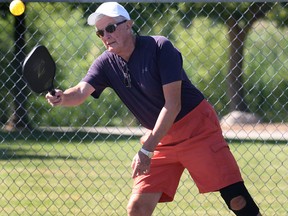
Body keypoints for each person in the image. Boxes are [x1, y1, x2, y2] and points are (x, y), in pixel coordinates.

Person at [46, 2, 262, 216]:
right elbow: (81, 91)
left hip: (197, 130)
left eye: (110, 28)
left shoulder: (160, 47)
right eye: (100, 32)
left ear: (129, 25)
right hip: (160, 138)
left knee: (237, 199)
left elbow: (173, 105)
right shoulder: (105, 63)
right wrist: (62, 97)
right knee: (137, 208)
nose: (105, 35)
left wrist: (147, 148)